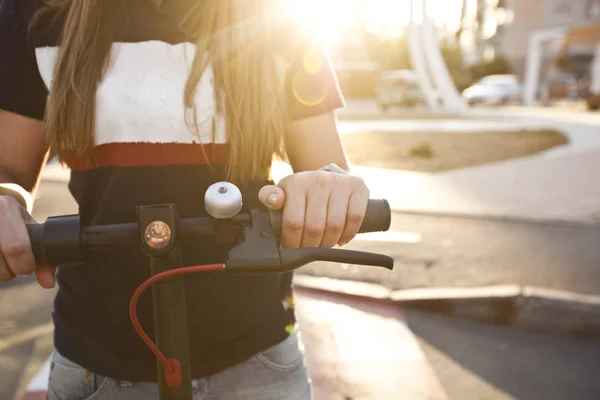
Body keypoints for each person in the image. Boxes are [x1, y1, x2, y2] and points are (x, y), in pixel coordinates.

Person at [0, 0, 370, 399]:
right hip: (99, 362)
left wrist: (330, 189)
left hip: (257, 358)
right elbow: (10, 171)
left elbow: (326, 168)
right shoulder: (35, 13)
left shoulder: (278, 18)